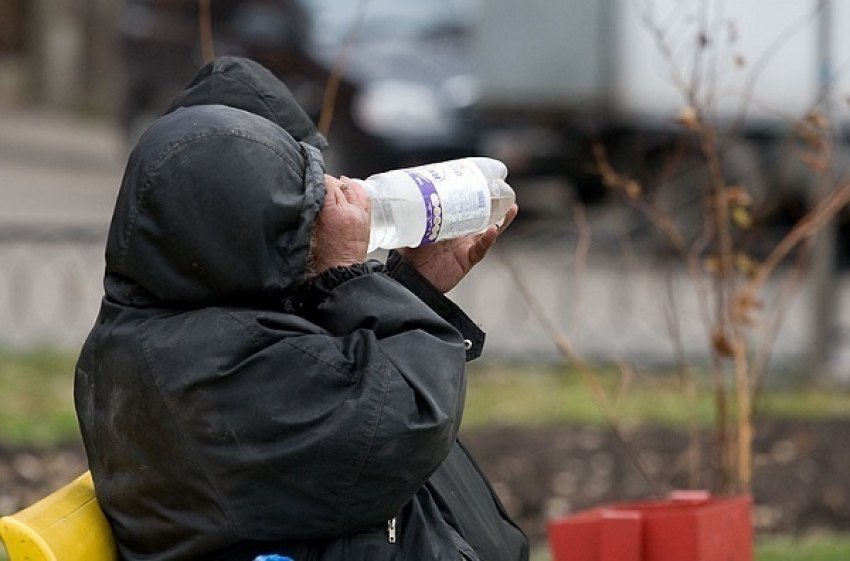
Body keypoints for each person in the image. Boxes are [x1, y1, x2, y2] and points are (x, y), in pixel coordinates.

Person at [74, 56, 527, 560]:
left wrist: (412, 286)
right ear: (232, 231)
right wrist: (346, 273)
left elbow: (353, 381)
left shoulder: (200, 320)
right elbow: (411, 418)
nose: (324, 210)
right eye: (298, 213)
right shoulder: (196, 365)